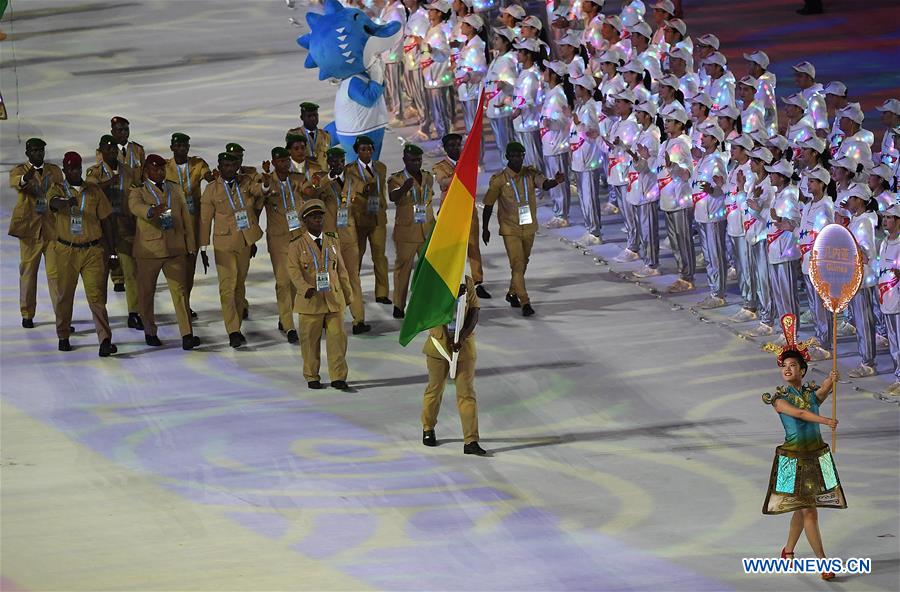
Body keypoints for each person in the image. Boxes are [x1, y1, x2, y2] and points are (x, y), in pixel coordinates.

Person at [761, 315, 843, 582]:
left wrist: (831, 380)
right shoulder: (779, 400)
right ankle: (823, 563)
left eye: (793, 365)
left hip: (815, 456)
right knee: (809, 510)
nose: (787, 369)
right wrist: (825, 420)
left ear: (803, 370)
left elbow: (820, 396)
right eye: (784, 365)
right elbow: (801, 414)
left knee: (802, 508)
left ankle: (788, 551)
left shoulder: (809, 393)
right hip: (793, 460)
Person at [46, 151, 118, 357]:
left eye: (77, 167)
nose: (75, 171)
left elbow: (106, 221)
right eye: (70, 168)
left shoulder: (93, 191)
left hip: (93, 251)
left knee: (97, 297)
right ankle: (63, 334)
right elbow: (52, 203)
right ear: (64, 170)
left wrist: (112, 252)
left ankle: (105, 340)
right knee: (64, 295)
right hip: (66, 251)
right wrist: (66, 203)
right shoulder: (57, 189)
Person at [482, 142, 565, 317]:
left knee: (523, 262)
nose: (517, 159)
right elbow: (488, 204)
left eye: (520, 155)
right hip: (509, 228)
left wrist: (555, 182)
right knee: (517, 263)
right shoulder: (499, 180)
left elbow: (544, 184)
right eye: (513, 156)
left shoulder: (530, 174)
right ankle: (525, 301)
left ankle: (512, 293)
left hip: (528, 226)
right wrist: (485, 227)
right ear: (507, 157)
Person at [128, 154, 199, 350]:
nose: (159, 172)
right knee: (146, 293)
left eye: (162, 169)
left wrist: (190, 245)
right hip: (149, 251)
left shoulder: (174, 188)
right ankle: (150, 331)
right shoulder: (139, 191)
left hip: (175, 248)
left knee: (181, 292)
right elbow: (134, 207)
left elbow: (186, 217)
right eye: (155, 169)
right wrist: (151, 211)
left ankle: (187, 334)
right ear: (146, 171)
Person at [199, 151, 267, 348]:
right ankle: (233, 330)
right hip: (224, 245)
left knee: (239, 285)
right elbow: (205, 220)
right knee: (227, 288)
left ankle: (236, 321)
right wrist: (203, 248)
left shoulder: (245, 183)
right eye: (225, 166)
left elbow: (259, 192)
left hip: (245, 242)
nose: (229, 169)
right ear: (219, 167)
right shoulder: (212, 189)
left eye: (233, 165)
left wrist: (266, 183)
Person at [287, 199, 354, 391]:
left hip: (334, 299)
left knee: (338, 340)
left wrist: (347, 295)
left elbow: (341, 269)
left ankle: (338, 376)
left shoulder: (333, 240)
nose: (318, 220)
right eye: (313, 217)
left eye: (320, 216)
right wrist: (303, 287)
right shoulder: (296, 244)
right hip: (311, 301)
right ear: (304, 221)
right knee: (309, 342)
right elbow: (293, 270)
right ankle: (311, 375)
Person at [421, 275, 487, 456]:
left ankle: (471, 440)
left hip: (464, 346)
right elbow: (428, 312)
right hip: (439, 346)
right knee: (435, 389)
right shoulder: (432, 279)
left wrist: (463, 335)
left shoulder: (467, 280)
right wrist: (450, 297)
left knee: (466, 393)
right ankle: (428, 428)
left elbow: (475, 310)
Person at [86, 135, 142, 331]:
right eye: (107, 149)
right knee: (99, 276)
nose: (111, 152)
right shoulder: (94, 172)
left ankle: (134, 313)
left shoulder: (128, 170)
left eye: (113, 149)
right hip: (103, 230)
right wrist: (111, 182)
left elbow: (137, 192)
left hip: (125, 226)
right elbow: (91, 191)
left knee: (131, 272)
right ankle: (101, 317)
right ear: (100, 152)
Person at [8, 138, 63, 329]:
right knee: (29, 273)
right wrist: (27, 176)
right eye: (34, 150)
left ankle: (61, 317)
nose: (39, 153)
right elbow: (18, 182)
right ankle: (27, 313)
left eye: (41, 150)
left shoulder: (54, 171)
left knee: (56, 275)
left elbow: (62, 191)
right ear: (27, 153)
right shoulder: (20, 170)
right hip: (30, 230)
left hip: (51, 229)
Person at [317, 146, 370, 335]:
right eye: (332, 162)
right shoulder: (322, 180)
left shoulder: (352, 180)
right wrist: (328, 178)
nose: (336, 165)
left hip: (349, 237)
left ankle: (359, 319)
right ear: (328, 162)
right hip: (329, 239)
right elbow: (312, 192)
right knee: (329, 279)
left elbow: (365, 188)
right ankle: (327, 318)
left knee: (353, 277)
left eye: (339, 162)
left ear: (343, 162)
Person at [432, 133, 490, 298]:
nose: (455, 148)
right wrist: (461, 170)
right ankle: (453, 282)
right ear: (445, 148)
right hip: (450, 213)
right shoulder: (440, 166)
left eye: (458, 145)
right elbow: (443, 183)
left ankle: (478, 282)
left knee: (473, 247)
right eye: (451, 145)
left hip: (468, 211)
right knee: (453, 249)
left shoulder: (469, 163)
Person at [261, 147, 307, 344]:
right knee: (282, 281)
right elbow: (258, 199)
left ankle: (283, 316)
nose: (285, 163)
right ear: (273, 162)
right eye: (281, 161)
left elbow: (310, 191)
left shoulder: (297, 179)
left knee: (297, 281)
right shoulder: (266, 181)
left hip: (298, 236)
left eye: (287, 160)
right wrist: (264, 185)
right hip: (278, 239)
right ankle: (289, 326)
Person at [166, 132, 213, 318]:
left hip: (193, 223)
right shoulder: (166, 167)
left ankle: (186, 303)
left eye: (185, 145)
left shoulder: (197, 164)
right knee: (178, 267)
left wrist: (210, 176)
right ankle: (181, 305)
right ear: (172, 148)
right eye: (178, 145)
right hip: (175, 224)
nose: (182, 148)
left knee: (190, 268)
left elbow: (206, 174)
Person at [388, 144, 436, 318]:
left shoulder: (428, 177)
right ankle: (399, 305)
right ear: (404, 161)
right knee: (403, 270)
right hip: (407, 233)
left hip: (427, 231)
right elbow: (392, 197)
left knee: (427, 271)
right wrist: (404, 189)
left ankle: (426, 303)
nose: (416, 163)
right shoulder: (397, 179)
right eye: (412, 160)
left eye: (419, 160)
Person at [346, 135, 391, 305]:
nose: (367, 152)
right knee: (356, 255)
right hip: (359, 217)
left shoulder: (381, 167)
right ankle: (352, 292)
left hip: (378, 216)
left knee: (379, 256)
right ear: (357, 151)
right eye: (363, 149)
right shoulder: (349, 169)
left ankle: (382, 293)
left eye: (370, 149)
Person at [656, 102, 696, 294]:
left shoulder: (683, 143)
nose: (666, 124)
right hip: (666, 199)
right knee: (674, 240)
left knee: (683, 240)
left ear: (680, 124)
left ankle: (688, 277)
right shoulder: (664, 143)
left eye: (670, 121)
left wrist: (674, 167)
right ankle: (682, 273)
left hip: (680, 199)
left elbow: (688, 172)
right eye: (665, 120)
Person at [797, 166, 834, 361]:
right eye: (808, 181)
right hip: (806, 260)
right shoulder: (810, 205)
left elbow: (826, 236)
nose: (809, 184)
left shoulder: (826, 206)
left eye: (812, 181)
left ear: (822, 184)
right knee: (813, 304)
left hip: (818, 262)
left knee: (821, 304)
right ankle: (820, 338)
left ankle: (825, 343)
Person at [692, 121, 729, 309]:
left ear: (715, 140)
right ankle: (713, 289)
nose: (702, 138)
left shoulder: (717, 160)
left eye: (706, 136)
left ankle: (718, 293)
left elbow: (722, 187)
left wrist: (712, 189)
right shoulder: (704, 159)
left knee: (715, 255)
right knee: (708, 255)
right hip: (701, 214)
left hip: (713, 214)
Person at [763, 160, 802, 338]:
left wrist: (779, 219)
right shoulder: (777, 195)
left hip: (786, 253)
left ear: (782, 177)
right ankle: (784, 332)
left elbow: (795, 223)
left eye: (773, 174)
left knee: (788, 296)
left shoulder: (789, 196)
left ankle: (792, 334)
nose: (770, 176)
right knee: (779, 295)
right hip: (775, 252)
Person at [844, 183, 879, 377]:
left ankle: (868, 362)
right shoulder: (856, 219)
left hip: (863, 278)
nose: (848, 201)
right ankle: (865, 358)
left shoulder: (865, 221)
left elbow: (868, 253)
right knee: (860, 319)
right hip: (854, 276)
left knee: (864, 320)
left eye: (852, 198)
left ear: (860, 201)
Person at [743, 147, 777, 337]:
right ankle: (765, 315)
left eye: (754, 160)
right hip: (752, 234)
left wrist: (756, 206)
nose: (750, 163)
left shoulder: (768, 186)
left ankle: (767, 320)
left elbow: (766, 214)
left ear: (763, 163)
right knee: (757, 276)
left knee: (765, 280)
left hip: (763, 235)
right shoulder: (753, 181)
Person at [628, 101, 663, 277]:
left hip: (648, 189)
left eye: (639, 113)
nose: (636, 115)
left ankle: (652, 264)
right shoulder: (642, 133)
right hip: (639, 189)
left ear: (648, 115)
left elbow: (651, 165)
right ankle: (648, 261)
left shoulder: (652, 136)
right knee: (643, 229)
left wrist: (640, 158)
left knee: (649, 229)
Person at [607, 89, 642, 262]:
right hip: (616, 174)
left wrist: (620, 146)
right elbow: (614, 149)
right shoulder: (617, 124)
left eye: (620, 101)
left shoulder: (632, 125)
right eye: (616, 101)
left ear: (629, 104)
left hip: (626, 176)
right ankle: (632, 242)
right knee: (625, 213)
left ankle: (634, 246)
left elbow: (631, 152)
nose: (616, 104)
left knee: (630, 213)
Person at [570, 75, 604, 247]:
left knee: (590, 197)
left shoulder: (590, 108)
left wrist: (578, 124)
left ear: (584, 90)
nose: (575, 90)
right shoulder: (582, 106)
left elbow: (591, 132)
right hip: (579, 159)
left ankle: (595, 231)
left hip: (588, 160)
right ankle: (589, 228)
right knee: (584, 197)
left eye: (577, 87)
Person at [541, 61, 574, 229]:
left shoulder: (557, 95)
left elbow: (564, 120)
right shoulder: (551, 92)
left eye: (547, 70)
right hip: (550, 143)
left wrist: (550, 123)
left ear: (553, 74)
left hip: (557, 144)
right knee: (554, 179)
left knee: (559, 180)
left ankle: (562, 214)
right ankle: (558, 211)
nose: (544, 72)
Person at [483, 27, 518, 165]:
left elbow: (513, 86)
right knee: (501, 143)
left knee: (506, 144)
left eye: (497, 39)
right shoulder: (498, 58)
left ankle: (511, 171)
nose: (494, 41)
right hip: (494, 109)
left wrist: (505, 86)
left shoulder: (507, 60)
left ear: (506, 42)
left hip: (502, 110)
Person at [421, 1, 454, 141]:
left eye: (432, 10)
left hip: (438, 78)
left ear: (440, 13)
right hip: (431, 78)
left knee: (440, 113)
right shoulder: (432, 29)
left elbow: (445, 53)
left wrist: (432, 50)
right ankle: (444, 141)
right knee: (437, 112)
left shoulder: (439, 31)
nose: (429, 12)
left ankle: (445, 144)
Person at [511, 38, 545, 171]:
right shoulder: (524, 72)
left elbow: (530, 100)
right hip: (521, 124)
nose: (517, 54)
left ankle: (539, 188)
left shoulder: (531, 75)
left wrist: (519, 110)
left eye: (520, 52)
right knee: (527, 158)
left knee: (533, 158)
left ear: (528, 55)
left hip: (528, 124)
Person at [878, 204, 900, 395]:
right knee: (893, 340)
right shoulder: (884, 242)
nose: (885, 220)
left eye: (890, 217)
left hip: (898, 297)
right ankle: (898, 376)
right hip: (886, 296)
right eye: (884, 217)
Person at [288, 102, 331, 170]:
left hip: (322, 176)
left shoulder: (325, 135)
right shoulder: (294, 134)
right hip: (302, 176)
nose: (313, 118)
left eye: (315, 115)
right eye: (309, 116)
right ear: (302, 117)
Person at [792, 62, 828, 137]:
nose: (796, 79)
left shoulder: (816, 97)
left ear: (809, 77)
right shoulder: (802, 95)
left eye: (800, 76)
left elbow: (822, 127)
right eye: (796, 75)